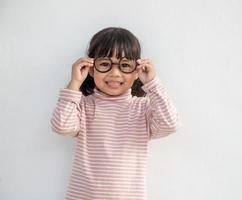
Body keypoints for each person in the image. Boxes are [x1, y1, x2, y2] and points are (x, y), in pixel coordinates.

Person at [50, 27, 181, 200]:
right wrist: (74, 83)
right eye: (105, 64)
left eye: (125, 65)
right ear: (91, 68)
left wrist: (152, 84)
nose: (115, 73)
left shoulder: (142, 108)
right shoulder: (83, 105)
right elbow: (61, 127)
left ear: (136, 72)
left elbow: (170, 124)